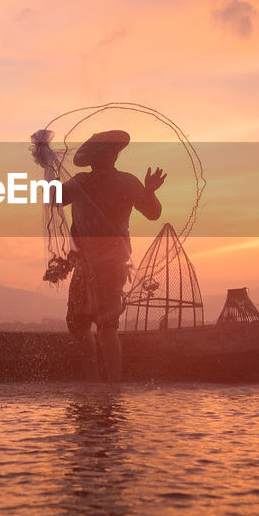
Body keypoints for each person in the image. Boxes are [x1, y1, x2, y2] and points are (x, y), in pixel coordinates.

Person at [62, 130, 165, 382]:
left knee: (107, 325)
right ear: (95, 158)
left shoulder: (125, 183)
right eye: (105, 153)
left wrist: (150, 190)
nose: (109, 157)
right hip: (86, 264)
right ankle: (95, 378)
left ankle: (111, 385)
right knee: (77, 323)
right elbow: (49, 198)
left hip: (112, 263)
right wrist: (48, 172)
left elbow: (152, 213)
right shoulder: (79, 183)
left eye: (112, 153)